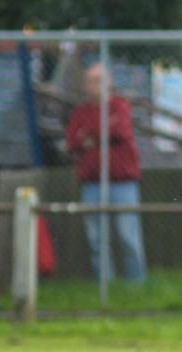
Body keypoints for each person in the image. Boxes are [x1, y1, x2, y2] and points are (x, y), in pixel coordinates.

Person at [66, 63, 147, 282]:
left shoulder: (120, 106)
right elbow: (73, 142)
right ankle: (105, 286)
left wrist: (90, 136)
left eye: (99, 80)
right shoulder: (80, 112)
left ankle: (137, 285)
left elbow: (119, 131)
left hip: (122, 182)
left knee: (128, 236)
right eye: (90, 81)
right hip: (92, 183)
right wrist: (100, 132)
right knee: (97, 239)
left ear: (109, 83)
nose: (94, 86)